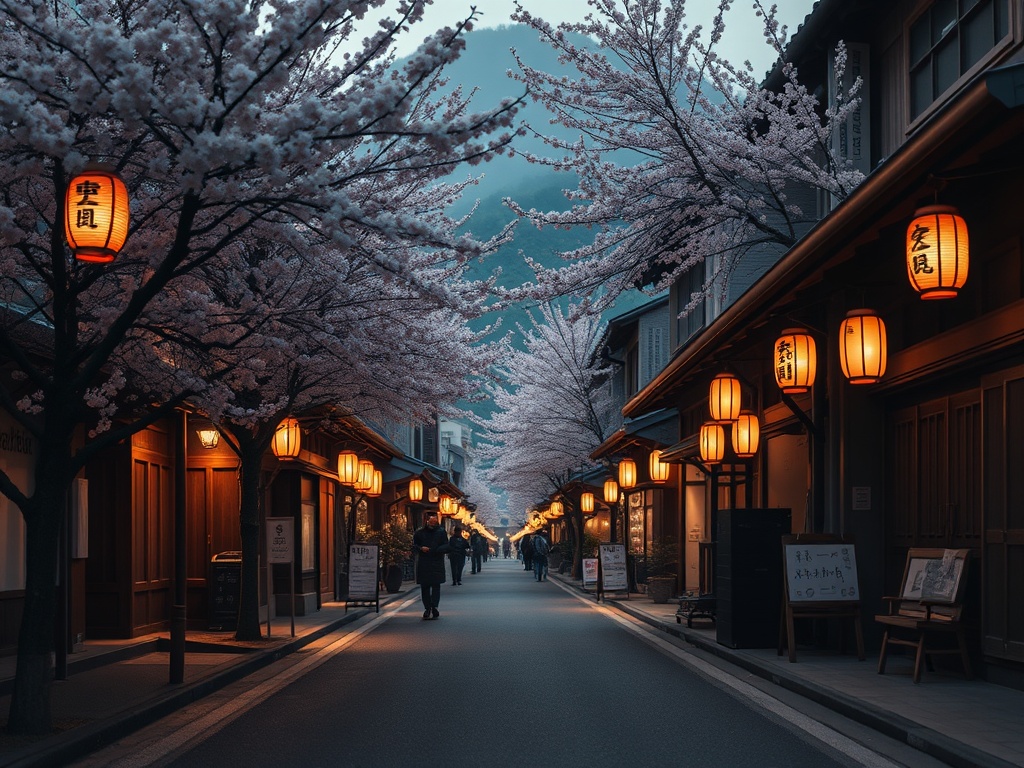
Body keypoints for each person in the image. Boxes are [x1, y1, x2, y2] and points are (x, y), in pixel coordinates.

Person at [412, 512, 449, 619]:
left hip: (437, 561)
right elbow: (414, 545)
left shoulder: (441, 532)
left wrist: (438, 550)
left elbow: (446, 545)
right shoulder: (419, 533)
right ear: (427, 520)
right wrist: (421, 548)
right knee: (425, 586)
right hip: (424, 561)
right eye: (431, 519)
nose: (433, 521)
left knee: (436, 586)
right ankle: (427, 608)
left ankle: (434, 607)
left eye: (435, 519)